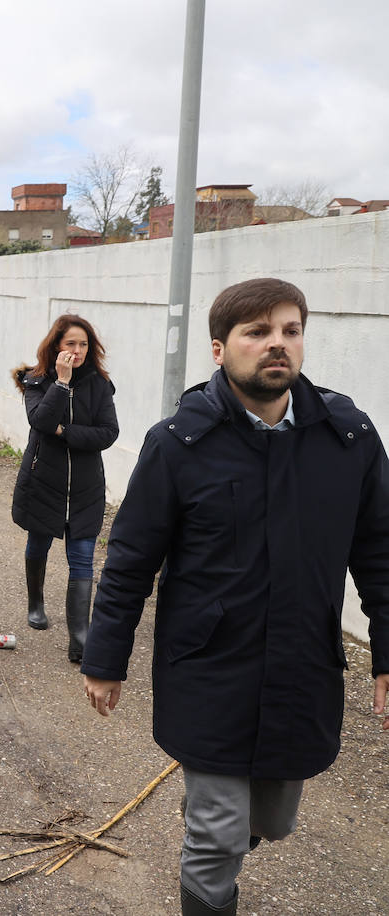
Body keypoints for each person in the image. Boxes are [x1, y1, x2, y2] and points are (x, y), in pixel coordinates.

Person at [81, 278, 389, 916]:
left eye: (290, 330)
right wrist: (105, 660)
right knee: (217, 834)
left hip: (302, 667)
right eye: (257, 332)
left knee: (270, 820)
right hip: (209, 668)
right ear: (220, 349)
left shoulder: (348, 439)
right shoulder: (178, 444)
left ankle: (226, 824)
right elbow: (133, 560)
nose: (277, 344)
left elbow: (380, 553)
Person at [10, 315, 118, 661]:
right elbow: (40, 421)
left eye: (83, 344)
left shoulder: (100, 385)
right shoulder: (37, 381)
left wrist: (66, 433)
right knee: (38, 542)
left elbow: (108, 433)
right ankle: (36, 602)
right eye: (70, 343)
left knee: (83, 558)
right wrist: (62, 383)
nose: (77, 350)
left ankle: (80, 638)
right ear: (56, 346)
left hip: (86, 489)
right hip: (45, 482)